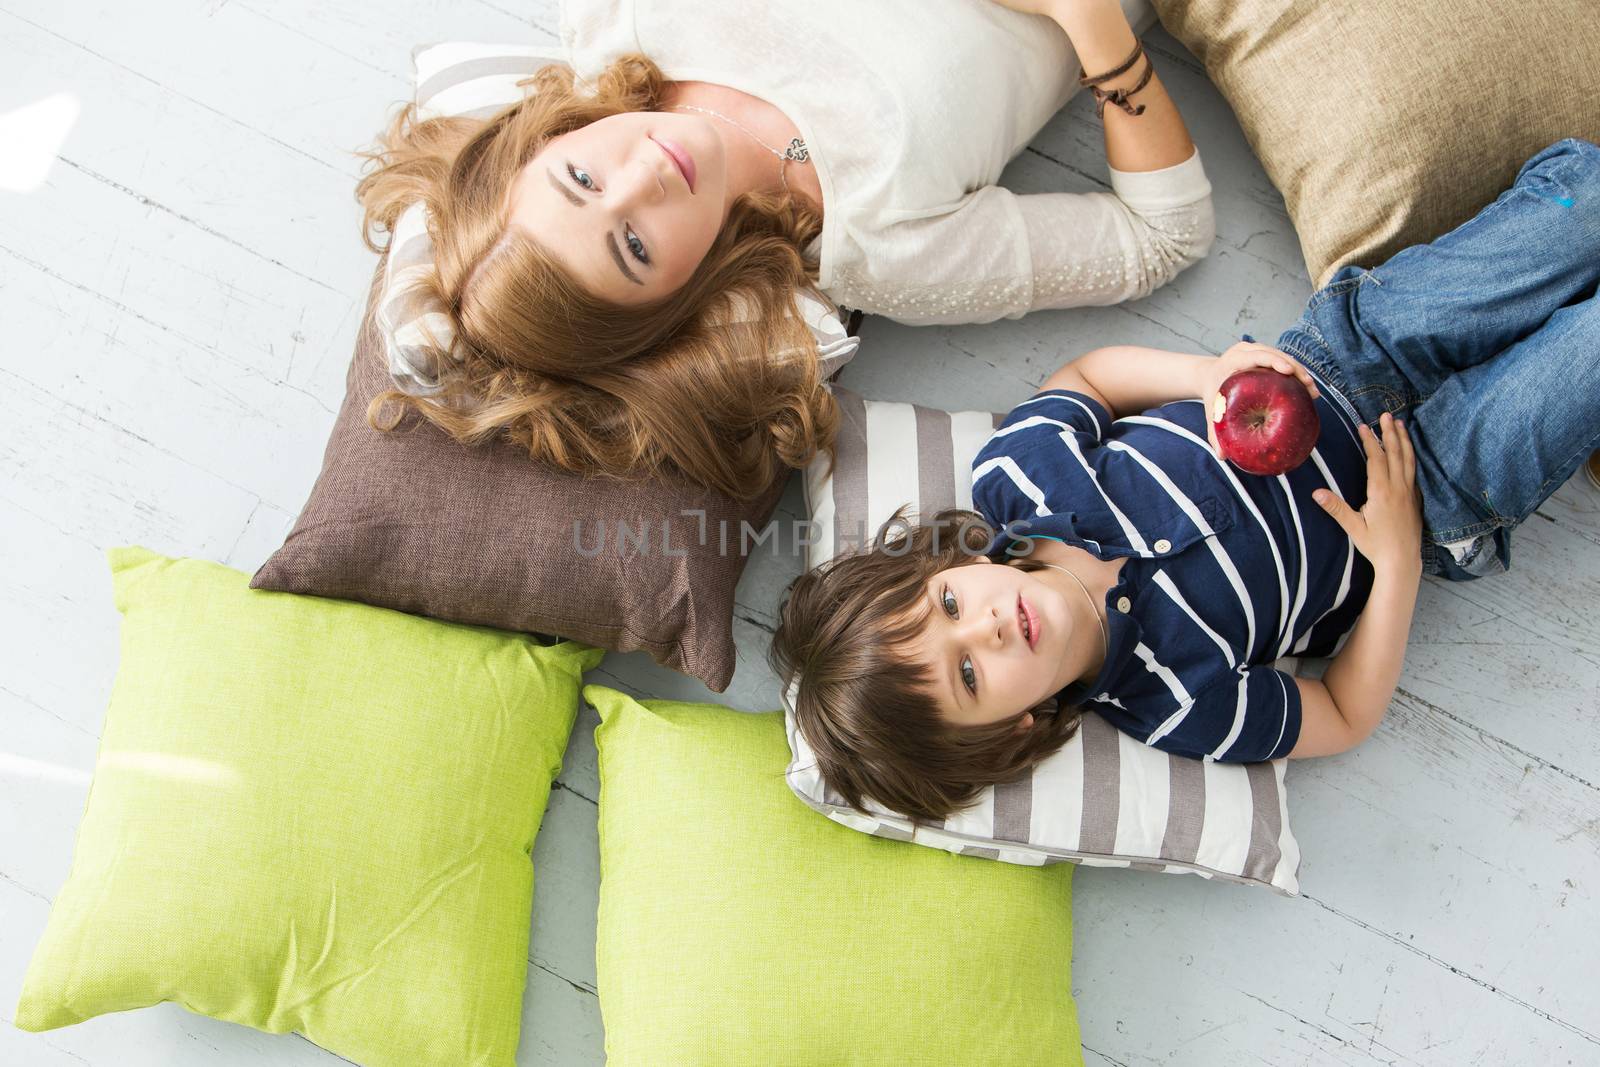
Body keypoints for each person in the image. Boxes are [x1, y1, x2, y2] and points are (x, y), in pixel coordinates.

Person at [767, 137, 1600, 823]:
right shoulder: (1172, 703)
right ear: (1009, 730)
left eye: (946, 605)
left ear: (944, 569)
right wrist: (1397, 565)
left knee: (1580, 204)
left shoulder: (1018, 483)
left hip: (1343, 355)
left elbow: (1089, 376)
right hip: (1434, 489)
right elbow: (1344, 714)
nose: (982, 628)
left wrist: (1210, 377)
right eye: (969, 676)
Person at [355, 0, 1213, 499]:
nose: (643, 175)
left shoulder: (622, 26)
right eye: (632, 246)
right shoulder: (881, 244)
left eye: (580, 176)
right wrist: (1089, 20)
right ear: (679, 299)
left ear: (542, 142)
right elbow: (1161, 236)